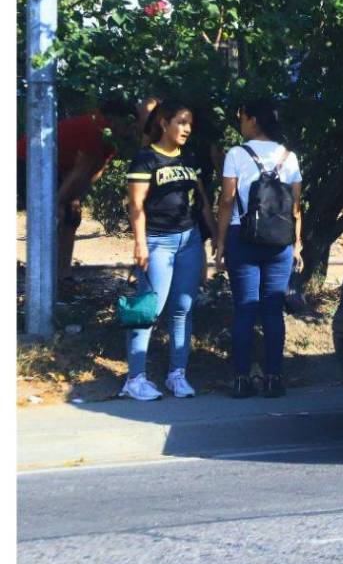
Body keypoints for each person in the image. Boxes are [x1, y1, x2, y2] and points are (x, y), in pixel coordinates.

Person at [122, 100, 216, 401]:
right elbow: (135, 205)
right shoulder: (145, 159)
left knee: (183, 309)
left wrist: (214, 236)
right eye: (181, 122)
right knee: (148, 310)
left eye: (190, 123)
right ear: (164, 123)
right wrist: (140, 243)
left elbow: (202, 202)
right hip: (157, 242)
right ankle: (135, 379)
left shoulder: (188, 160)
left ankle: (177, 374)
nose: (187, 129)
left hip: (188, 240)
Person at [214, 99, 303, 398]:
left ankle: (241, 379)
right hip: (280, 241)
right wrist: (298, 245)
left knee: (245, 311)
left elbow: (226, 200)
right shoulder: (289, 157)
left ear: (253, 120)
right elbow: (296, 208)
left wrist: (221, 242)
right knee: (272, 312)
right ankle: (274, 378)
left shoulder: (237, 154)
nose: (240, 123)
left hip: (243, 237)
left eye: (242, 118)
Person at [17, 99, 139, 288]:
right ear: (116, 119)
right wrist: (58, 202)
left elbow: (94, 172)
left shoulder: (110, 140)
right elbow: (80, 171)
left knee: (72, 216)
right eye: (129, 124)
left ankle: (62, 275)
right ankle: (39, 278)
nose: (131, 131)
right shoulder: (96, 129)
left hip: (57, 169)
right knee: (50, 216)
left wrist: (75, 199)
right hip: (28, 160)